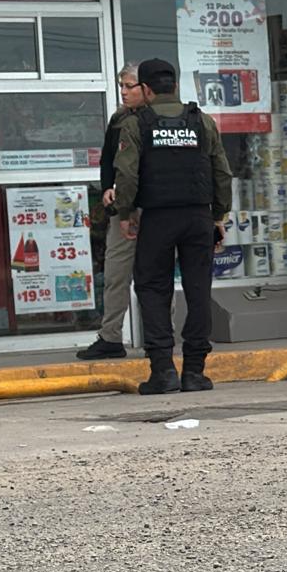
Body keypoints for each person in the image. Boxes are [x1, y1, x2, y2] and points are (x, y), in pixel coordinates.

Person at [112, 58, 232, 395]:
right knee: (197, 291)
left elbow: (127, 174)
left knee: (153, 289)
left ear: (146, 89)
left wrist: (126, 212)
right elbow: (221, 172)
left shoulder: (137, 125)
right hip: (197, 217)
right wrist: (219, 215)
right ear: (175, 86)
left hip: (158, 218)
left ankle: (163, 370)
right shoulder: (201, 121)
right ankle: (195, 371)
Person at [77, 61, 143, 360]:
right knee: (117, 273)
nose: (124, 92)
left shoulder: (158, 120)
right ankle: (111, 336)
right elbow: (108, 161)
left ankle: (160, 337)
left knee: (155, 276)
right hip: (122, 208)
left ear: (147, 88)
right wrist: (108, 189)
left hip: (150, 208)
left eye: (130, 86)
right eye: (122, 86)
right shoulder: (119, 119)